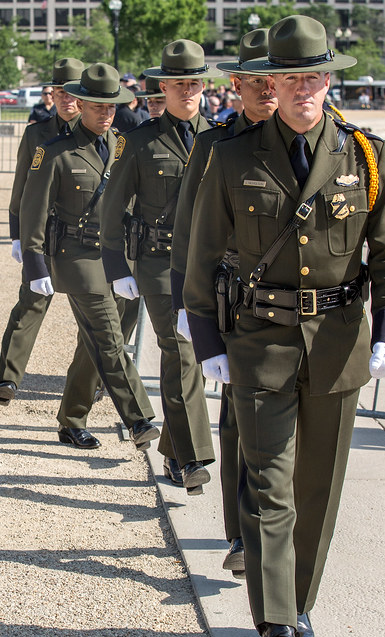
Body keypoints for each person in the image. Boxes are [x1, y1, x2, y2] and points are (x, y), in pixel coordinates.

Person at [184, 16, 385, 637]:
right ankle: (276, 624)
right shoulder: (233, 157)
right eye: (292, 76)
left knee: (318, 487)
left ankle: (301, 600)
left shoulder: (366, 156)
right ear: (272, 83)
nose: (305, 87)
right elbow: (202, 259)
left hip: (340, 345)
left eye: (316, 75)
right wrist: (207, 341)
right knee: (271, 485)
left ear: (326, 79)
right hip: (259, 345)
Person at [171, 27, 277, 574]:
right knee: (238, 418)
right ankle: (240, 535)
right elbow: (189, 231)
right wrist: (186, 307)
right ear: (237, 85)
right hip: (233, 299)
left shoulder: (302, 142)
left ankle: (266, 532)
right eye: (255, 81)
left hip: (289, 305)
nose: (266, 90)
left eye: (272, 78)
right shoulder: (214, 146)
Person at [19, 62, 160, 452]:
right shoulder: (54, 151)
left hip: (119, 258)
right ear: (79, 104)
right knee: (109, 337)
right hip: (77, 256)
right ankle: (139, 418)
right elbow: (34, 208)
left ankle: (71, 419)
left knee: (94, 342)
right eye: (98, 106)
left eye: (112, 106)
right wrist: (34, 261)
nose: (106, 113)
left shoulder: (122, 145)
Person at [102, 39, 221, 494]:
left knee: (185, 357)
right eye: (179, 83)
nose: (187, 90)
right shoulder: (138, 141)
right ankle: (192, 460)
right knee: (182, 350)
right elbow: (111, 209)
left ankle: (173, 450)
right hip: (157, 261)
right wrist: (118, 266)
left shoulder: (222, 138)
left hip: (207, 265)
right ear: (163, 87)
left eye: (194, 82)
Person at [0, 57, 84, 408]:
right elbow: (22, 185)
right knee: (30, 304)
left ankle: (90, 380)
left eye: (72, 92)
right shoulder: (37, 133)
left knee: (89, 314)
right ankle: (8, 379)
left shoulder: (103, 134)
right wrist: (17, 233)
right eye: (59, 92)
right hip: (42, 235)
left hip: (82, 237)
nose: (65, 99)